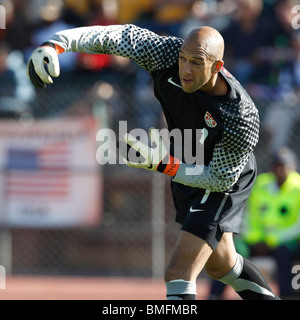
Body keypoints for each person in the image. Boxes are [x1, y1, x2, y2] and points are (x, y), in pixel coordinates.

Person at [26, 23, 280, 300]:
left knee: (178, 273)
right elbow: (115, 37)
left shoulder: (241, 116)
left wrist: (162, 164)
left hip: (222, 178)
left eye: (196, 62)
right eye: (183, 59)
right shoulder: (166, 54)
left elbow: (219, 179)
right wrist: (56, 43)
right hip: (187, 161)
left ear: (217, 66)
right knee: (222, 265)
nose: (185, 68)